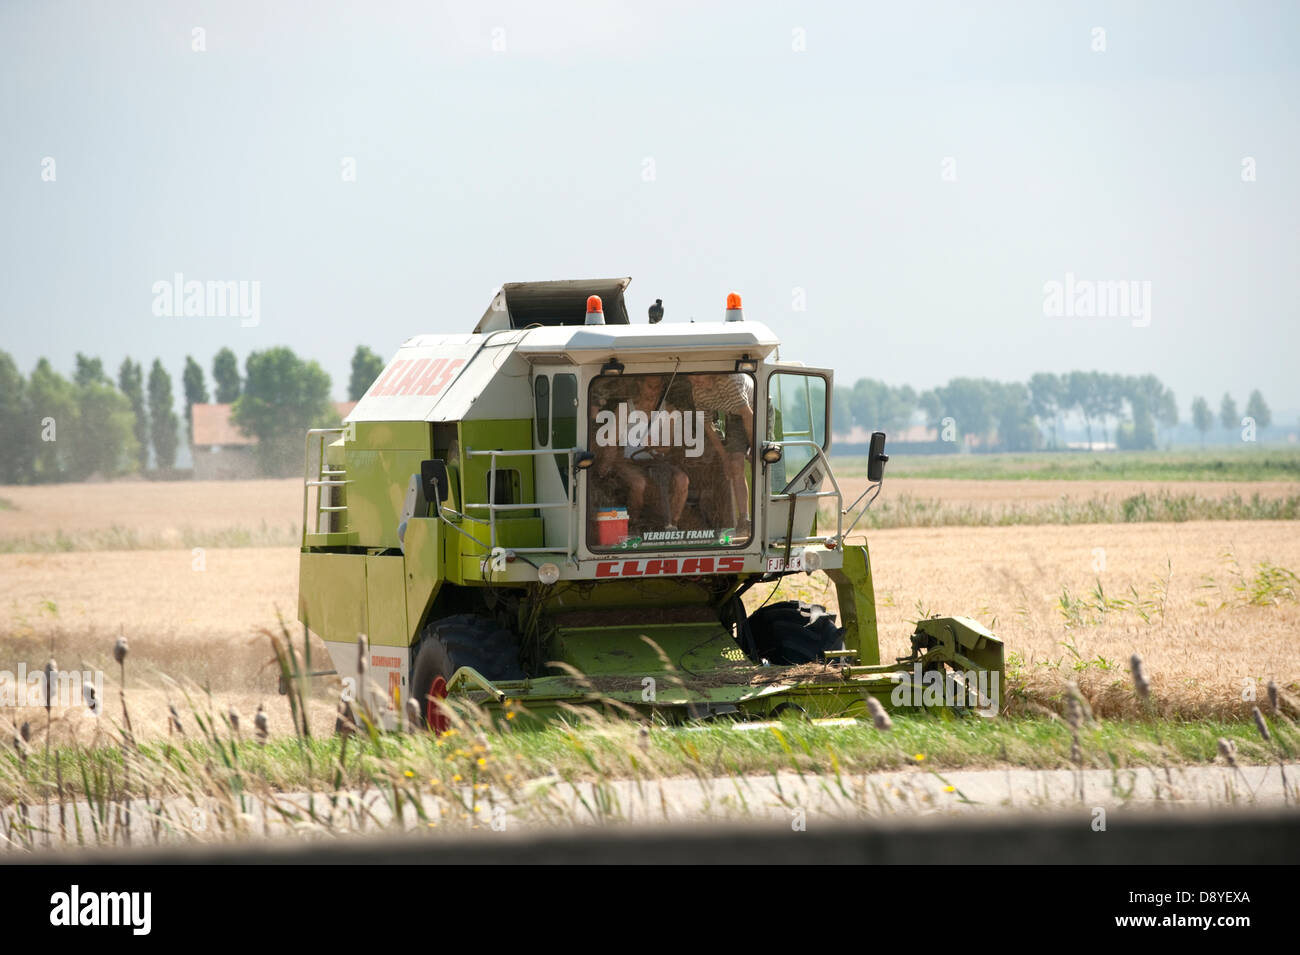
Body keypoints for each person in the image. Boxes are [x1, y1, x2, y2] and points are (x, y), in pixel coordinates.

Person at [590, 375, 689, 532]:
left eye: (657, 388)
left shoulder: (669, 410)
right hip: (627, 461)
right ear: (640, 384)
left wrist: (654, 445)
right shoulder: (626, 408)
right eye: (650, 386)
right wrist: (605, 466)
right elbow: (612, 441)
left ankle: (673, 525)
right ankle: (633, 524)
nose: (654, 391)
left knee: (682, 480)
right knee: (638, 483)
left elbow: (667, 447)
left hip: (657, 462)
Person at [689, 374, 754, 536]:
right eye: (691, 377)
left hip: (757, 410)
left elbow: (748, 414)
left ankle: (762, 518)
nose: (695, 380)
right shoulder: (697, 391)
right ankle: (744, 520)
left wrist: (754, 446)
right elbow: (707, 425)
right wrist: (725, 458)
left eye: (699, 375)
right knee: (735, 465)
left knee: (759, 461)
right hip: (735, 415)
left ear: (711, 371)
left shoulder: (729, 381)